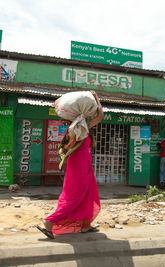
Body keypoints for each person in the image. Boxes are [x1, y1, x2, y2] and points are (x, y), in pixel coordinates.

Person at [36, 91, 104, 239]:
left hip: (83, 166)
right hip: (79, 168)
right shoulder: (79, 127)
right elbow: (100, 116)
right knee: (75, 196)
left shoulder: (76, 128)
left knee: (87, 194)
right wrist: (97, 98)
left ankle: (85, 226)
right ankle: (49, 222)